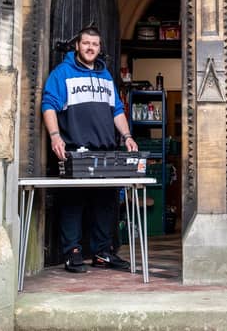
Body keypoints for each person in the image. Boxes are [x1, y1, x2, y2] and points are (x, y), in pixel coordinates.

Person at [41, 26, 138, 273]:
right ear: (77, 45)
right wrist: (55, 136)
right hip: (74, 150)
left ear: (99, 47)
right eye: (86, 43)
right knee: (73, 202)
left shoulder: (106, 76)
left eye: (95, 44)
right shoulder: (61, 73)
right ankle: (71, 252)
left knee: (105, 204)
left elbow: (116, 109)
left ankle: (103, 253)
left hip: (105, 151)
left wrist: (126, 136)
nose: (90, 48)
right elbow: (49, 104)